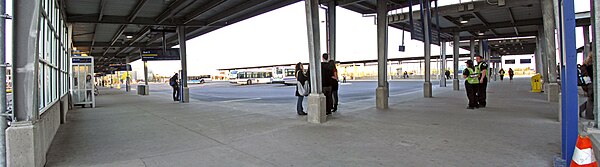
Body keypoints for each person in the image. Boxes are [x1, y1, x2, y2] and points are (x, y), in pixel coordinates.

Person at [579, 51, 594, 120]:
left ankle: (580, 110)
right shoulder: (590, 66)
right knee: (591, 99)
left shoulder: (585, 65)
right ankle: (589, 115)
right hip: (591, 84)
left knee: (590, 99)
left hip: (588, 84)